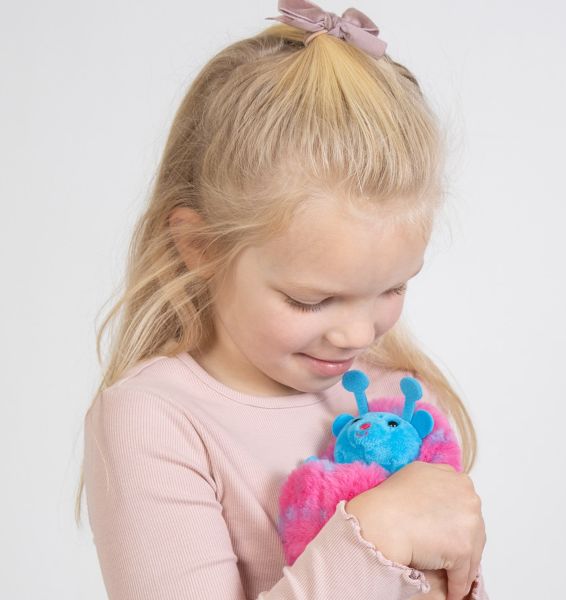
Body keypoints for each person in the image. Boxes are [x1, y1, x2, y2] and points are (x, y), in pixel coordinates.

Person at [75, 1, 489, 598]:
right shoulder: (156, 419)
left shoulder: (403, 402)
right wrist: (375, 534)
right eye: (309, 300)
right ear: (200, 247)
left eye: (393, 288)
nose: (358, 335)